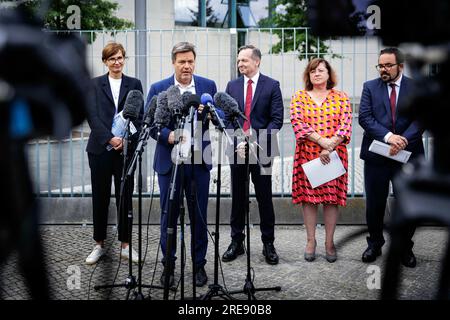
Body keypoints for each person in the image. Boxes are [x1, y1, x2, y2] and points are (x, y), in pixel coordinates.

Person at [146, 42, 220, 287]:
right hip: (170, 162)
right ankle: (168, 266)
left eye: (190, 61)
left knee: (199, 217)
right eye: (182, 62)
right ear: (173, 63)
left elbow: (215, 118)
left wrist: (208, 114)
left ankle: (198, 266)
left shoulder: (208, 86)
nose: (187, 66)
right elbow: (150, 124)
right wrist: (167, 135)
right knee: (169, 216)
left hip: (199, 162)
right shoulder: (159, 89)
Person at [359, 47, 424, 268]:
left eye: (388, 65)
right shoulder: (369, 87)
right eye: (381, 65)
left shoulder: (416, 87)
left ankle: (405, 247)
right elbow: (365, 118)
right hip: (377, 156)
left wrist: (402, 140)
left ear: (401, 66)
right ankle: (375, 244)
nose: (383, 69)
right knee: (375, 204)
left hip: (408, 155)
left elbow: (420, 119)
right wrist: (389, 138)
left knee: (407, 204)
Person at [222, 44, 283, 265]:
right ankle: (236, 242)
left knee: (264, 197)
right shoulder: (232, 85)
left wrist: (255, 141)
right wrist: (238, 141)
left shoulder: (272, 85)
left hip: (263, 150)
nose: (240, 64)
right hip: (237, 149)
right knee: (237, 197)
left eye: (244, 61)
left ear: (256, 61)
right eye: (238, 61)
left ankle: (268, 243)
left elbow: (276, 119)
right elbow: (227, 118)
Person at [85, 42, 143, 265]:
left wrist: (126, 139)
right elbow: (92, 115)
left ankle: (126, 245)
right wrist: (109, 138)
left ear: (124, 59)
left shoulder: (134, 83)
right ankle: (99, 244)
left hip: (125, 151)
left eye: (120, 58)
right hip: (100, 149)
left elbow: (139, 115)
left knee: (124, 198)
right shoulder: (95, 85)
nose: (117, 62)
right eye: (112, 59)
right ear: (105, 62)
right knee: (100, 198)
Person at [290, 58, 352, 263]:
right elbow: (298, 122)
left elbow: (345, 124)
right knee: (308, 200)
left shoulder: (341, 97)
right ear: (308, 75)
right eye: (312, 71)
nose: (316, 74)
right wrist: (322, 142)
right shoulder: (299, 97)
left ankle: (329, 242)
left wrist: (330, 146)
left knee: (331, 200)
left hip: (333, 156)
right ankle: (310, 241)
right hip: (307, 154)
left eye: (321, 70)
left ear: (328, 74)